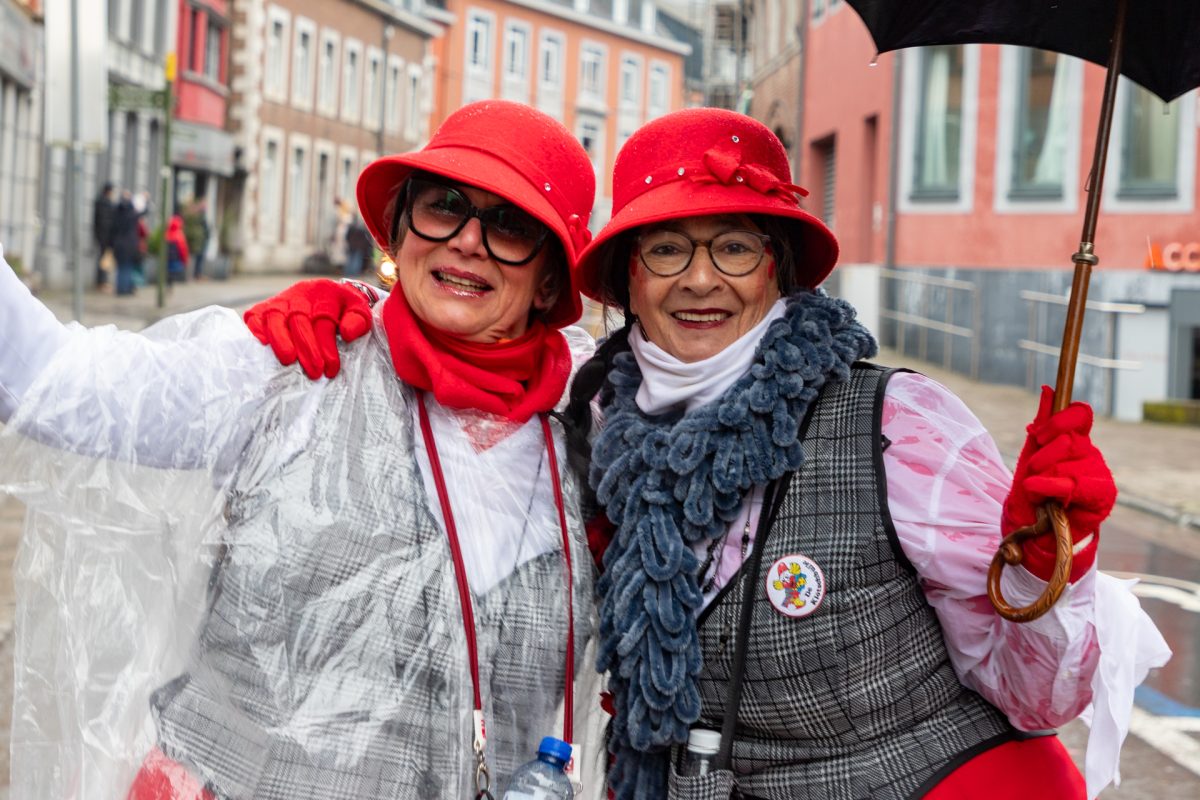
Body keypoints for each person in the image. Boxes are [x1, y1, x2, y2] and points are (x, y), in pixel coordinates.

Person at [253, 108, 1170, 800]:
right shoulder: (589, 418)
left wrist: (1049, 572)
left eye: (733, 246)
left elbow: (1039, 694)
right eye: (667, 250)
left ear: (778, 267)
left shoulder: (900, 425)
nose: (700, 279)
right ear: (625, 283)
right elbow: (472, 343)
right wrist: (358, 316)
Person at [0, 100, 608, 800]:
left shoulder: (594, 434)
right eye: (443, 206)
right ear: (402, 226)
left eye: (508, 224)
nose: (467, 240)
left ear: (553, 279)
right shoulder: (296, 367)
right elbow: (54, 385)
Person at [111, 190, 144, 296]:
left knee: (121, 268)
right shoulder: (131, 214)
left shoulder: (117, 213)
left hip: (118, 244)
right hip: (129, 245)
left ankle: (122, 288)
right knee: (127, 267)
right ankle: (124, 290)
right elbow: (143, 211)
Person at [92, 182, 117, 289]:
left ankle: (103, 281)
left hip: (103, 236)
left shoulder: (102, 202)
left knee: (104, 259)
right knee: (104, 259)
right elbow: (105, 221)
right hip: (104, 237)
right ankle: (102, 282)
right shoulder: (104, 203)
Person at [165, 210, 191, 285]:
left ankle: (169, 281)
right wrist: (185, 261)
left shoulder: (167, 234)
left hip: (168, 260)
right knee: (175, 272)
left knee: (169, 272)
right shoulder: (179, 235)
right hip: (177, 260)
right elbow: (183, 249)